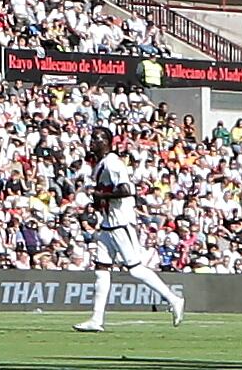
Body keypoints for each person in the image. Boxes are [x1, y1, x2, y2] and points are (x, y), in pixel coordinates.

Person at [75, 134, 185, 332]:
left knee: (135, 268)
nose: (92, 142)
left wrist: (102, 195)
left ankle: (173, 299)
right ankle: (96, 319)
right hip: (109, 223)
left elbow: (127, 189)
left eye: (96, 139)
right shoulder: (101, 164)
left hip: (121, 222)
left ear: (107, 142)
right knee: (101, 269)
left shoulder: (113, 163)